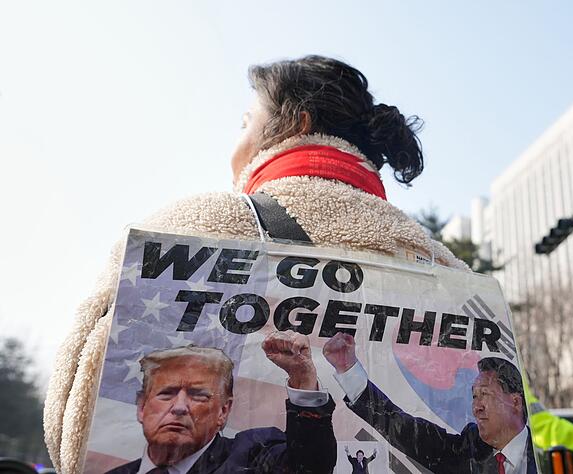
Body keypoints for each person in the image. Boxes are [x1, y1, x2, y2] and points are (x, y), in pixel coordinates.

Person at [44, 55, 467, 473]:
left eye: (245, 122)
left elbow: (73, 419)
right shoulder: (445, 267)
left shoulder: (193, 225)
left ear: (298, 123)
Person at [106, 333, 336, 473]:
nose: (179, 407)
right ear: (141, 408)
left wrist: (303, 378)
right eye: (167, 393)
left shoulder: (253, 454)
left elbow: (310, 467)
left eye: (198, 394)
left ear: (223, 411)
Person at [323, 332, 537, 474]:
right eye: (474, 396)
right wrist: (349, 370)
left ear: (515, 402)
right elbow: (402, 428)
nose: (476, 406)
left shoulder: (548, 454)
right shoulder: (468, 448)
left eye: (485, 394)